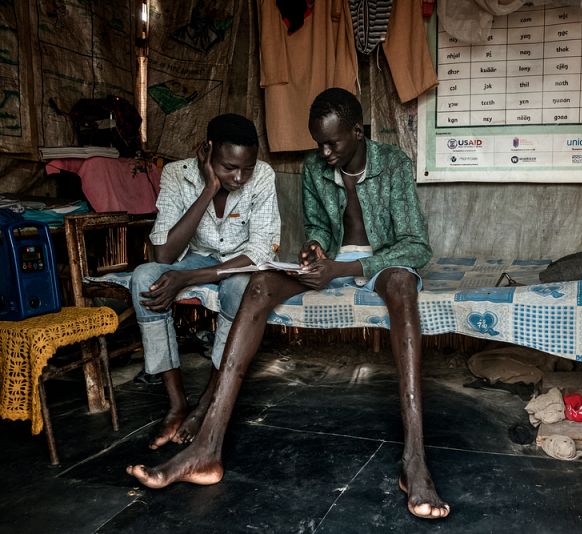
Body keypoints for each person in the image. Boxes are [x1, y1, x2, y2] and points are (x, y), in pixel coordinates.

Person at [127, 88, 450, 519]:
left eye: (333, 141)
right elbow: (318, 226)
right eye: (318, 141)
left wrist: (342, 269)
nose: (324, 151)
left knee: (403, 287)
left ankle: (415, 461)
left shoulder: (392, 163)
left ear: (357, 132)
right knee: (260, 284)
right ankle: (205, 449)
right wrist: (315, 252)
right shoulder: (316, 167)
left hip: (382, 262)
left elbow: (415, 245)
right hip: (333, 263)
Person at [130, 113, 280, 449]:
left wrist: (192, 277)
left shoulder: (263, 176)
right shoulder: (176, 174)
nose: (239, 177)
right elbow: (164, 255)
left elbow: (259, 251)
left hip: (240, 260)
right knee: (144, 279)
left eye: (247, 168)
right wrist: (209, 187)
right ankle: (177, 402)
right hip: (193, 257)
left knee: (239, 289)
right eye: (228, 167)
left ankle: (207, 401)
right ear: (207, 150)